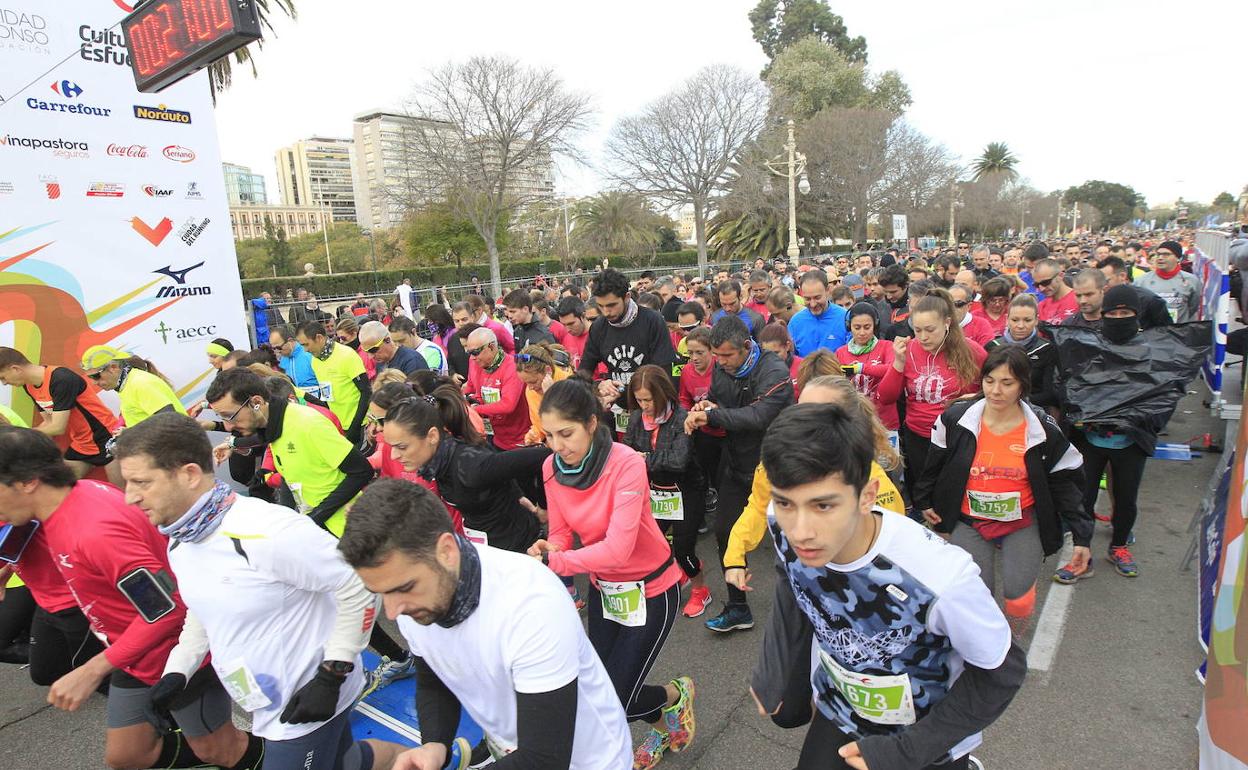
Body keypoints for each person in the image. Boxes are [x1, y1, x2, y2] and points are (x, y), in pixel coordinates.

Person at [112, 414, 404, 770]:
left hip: (307, 702)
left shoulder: (266, 531)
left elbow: (355, 584)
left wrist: (332, 675)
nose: (129, 498)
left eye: (141, 482)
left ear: (189, 474)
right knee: (347, 762)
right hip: (265, 701)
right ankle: (432, 760)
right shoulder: (181, 541)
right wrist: (178, 671)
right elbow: (203, 608)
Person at [750, 403, 1025, 770]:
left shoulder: (939, 578)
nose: (800, 531)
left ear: (867, 495)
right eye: (786, 503)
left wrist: (906, 752)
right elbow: (791, 580)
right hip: (841, 706)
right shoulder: (780, 522)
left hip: (925, 736)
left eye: (823, 506)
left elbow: (1002, 670)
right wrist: (775, 663)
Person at [0, 427, 264, 770]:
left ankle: (300, 752)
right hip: (133, 653)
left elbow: (167, 611)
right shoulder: (71, 499)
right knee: (127, 756)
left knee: (218, 750)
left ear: (27, 482)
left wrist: (92, 670)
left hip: (174, 655)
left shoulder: (94, 531)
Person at [340, 479, 631, 769]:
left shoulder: (530, 603)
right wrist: (434, 745)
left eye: (404, 587)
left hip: (590, 759)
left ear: (446, 551)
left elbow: (544, 758)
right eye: (381, 594)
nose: (392, 612)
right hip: (513, 747)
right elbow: (433, 675)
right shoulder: (416, 599)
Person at [529, 380, 696, 770]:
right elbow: (560, 533)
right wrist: (550, 549)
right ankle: (669, 713)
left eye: (566, 434)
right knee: (601, 690)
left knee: (617, 698)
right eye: (549, 435)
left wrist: (558, 563)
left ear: (591, 423)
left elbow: (619, 548)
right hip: (606, 588)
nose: (557, 446)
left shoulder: (625, 462)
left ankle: (673, 696)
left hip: (653, 587)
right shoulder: (550, 467)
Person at [914, 347, 1093, 634]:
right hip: (968, 519)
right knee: (976, 593)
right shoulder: (956, 419)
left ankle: (1011, 644)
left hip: (1021, 521)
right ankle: (986, 645)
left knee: (1018, 597)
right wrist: (924, 500)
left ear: (1023, 384)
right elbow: (934, 462)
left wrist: (1082, 535)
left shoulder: (1043, 429)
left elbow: (1066, 482)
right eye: (989, 381)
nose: (996, 391)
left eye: (1007, 383)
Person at [723, 375, 906, 606]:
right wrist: (735, 556)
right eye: (803, 410)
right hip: (799, 581)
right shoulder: (778, 463)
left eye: (823, 505)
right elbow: (758, 508)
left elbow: (893, 549)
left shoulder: (868, 479)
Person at [685, 316, 795, 634]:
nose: (719, 363)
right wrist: (710, 405)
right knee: (725, 532)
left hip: (778, 468)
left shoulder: (774, 371)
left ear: (747, 347)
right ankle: (737, 607)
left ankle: (808, 608)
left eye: (726, 356)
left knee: (795, 542)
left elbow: (758, 416)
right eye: (716, 356)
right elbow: (724, 406)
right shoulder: (723, 366)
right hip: (736, 464)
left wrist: (713, 413)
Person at [206, 367, 370, 537]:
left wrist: (316, 517)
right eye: (222, 418)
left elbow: (362, 471)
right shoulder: (275, 425)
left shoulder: (308, 423)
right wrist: (233, 445)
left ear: (256, 402)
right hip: (318, 527)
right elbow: (266, 439)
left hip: (347, 529)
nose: (227, 426)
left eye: (230, 416)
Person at [383, 390, 546, 553]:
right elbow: (495, 464)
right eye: (392, 447)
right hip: (488, 550)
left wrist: (544, 506)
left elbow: (543, 456)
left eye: (402, 447)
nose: (394, 455)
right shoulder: (440, 460)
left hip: (522, 551)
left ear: (432, 436)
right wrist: (516, 493)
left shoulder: (469, 466)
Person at [878, 288, 988, 502]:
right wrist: (898, 363)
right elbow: (886, 397)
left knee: (953, 491)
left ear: (947, 323)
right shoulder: (908, 349)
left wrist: (972, 399)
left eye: (930, 329)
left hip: (957, 436)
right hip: (918, 435)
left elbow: (990, 389)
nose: (923, 337)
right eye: (917, 330)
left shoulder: (971, 351)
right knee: (924, 494)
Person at [622, 365, 711, 619]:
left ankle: (700, 589)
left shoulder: (682, 417)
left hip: (686, 491)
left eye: (648, 399)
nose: (644, 405)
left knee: (683, 550)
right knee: (652, 544)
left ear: (662, 394)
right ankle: (675, 576)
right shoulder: (637, 418)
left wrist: (643, 459)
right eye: (638, 400)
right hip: (655, 492)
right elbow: (627, 449)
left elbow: (678, 461)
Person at [0, 346, 118, 480]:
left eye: (3, 377)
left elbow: (58, 427)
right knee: (61, 485)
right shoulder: (28, 386)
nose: (4, 383)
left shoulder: (61, 378)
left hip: (106, 438)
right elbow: (48, 422)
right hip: (82, 444)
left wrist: (18, 437)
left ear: (15, 369)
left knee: (123, 494)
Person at [580, 268, 677, 407]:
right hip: (616, 406)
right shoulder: (598, 327)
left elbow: (663, 373)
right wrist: (599, 385)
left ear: (627, 297)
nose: (606, 312)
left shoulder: (652, 321)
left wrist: (628, 391)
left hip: (651, 405)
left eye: (612, 305)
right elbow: (584, 372)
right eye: (601, 306)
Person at [296, 320, 371, 445]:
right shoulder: (315, 361)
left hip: (360, 425)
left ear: (319, 338)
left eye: (306, 344)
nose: (305, 350)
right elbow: (326, 394)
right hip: (338, 425)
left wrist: (355, 427)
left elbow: (366, 391)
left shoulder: (346, 355)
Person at [79, 346, 187, 429]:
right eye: (90, 377)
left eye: (96, 376)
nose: (93, 382)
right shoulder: (126, 383)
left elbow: (172, 422)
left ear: (114, 367)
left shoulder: (140, 383)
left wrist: (131, 433)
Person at [835, 302, 900, 439]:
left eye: (867, 327)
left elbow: (892, 369)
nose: (862, 332)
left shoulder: (887, 346)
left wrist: (861, 368)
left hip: (884, 421)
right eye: (857, 327)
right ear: (849, 327)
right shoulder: (840, 352)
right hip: (855, 421)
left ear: (875, 326)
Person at [984, 294, 1060, 410]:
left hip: (1035, 411)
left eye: (1027, 320)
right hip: (996, 409)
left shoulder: (1047, 349)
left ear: (1036, 320)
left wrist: (1014, 400)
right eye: (1015, 320)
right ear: (1007, 319)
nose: (1020, 326)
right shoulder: (992, 347)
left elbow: (1050, 394)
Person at [462, 327, 532, 450]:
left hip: (519, 440)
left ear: (491, 347)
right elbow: (471, 388)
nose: (472, 357)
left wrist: (476, 410)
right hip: (493, 435)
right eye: (469, 352)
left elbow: (508, 405)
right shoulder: (474, 362)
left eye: (475, 352)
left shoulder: (512, 367)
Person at [516, 342, 571, 445]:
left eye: (533, 382)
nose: (530, 387)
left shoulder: (570, 383)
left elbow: (571, 424)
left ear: (548, 370)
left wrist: (550, 395)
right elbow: (538, 425)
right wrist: (534, 435)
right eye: (526, 383)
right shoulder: (530, 391)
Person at [1134, 239, 1200, 323]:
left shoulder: (1191, 280)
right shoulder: (1141, 281)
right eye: (1158, 254)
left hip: (1178, 332)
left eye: (1166, 254)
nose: (1160, 258)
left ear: (1178, 258)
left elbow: (1192, 307)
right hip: (1151, 332)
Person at [1096, 256, 1171, 329]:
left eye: (1105, 281)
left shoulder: (1149, 300)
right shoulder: (1096, 299)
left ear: (1122, 276)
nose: (1102, 286)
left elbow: (1166, 333)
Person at [788, 270, 850, 357]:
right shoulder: (796, 322)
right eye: (807, 299)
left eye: (817, 297)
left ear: (828, 290)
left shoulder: (845, 317)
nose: (813, 304)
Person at [359, 321, 429, 378]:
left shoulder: (412, 361)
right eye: (366, 351)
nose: (370, 357)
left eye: (373, 350)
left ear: (387, 340)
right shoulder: (380, 363)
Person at [758, 324, 802, 397]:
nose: (771, 358)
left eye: (776, 353)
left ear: (787, 346)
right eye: (767, 353)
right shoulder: (758, 371)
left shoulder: (803, 367)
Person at [1033, 259, 1078, 324]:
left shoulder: (1079, 300)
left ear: (1060, 276)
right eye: (1037, 285)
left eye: (1046, 282)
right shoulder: (1041, 306)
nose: (1042, 289)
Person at [556, 297, 592, 370]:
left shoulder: (598, 336)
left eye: (571, 323)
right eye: (564, 324)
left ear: (583, 316)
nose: (567, 329)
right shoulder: (567, 337)